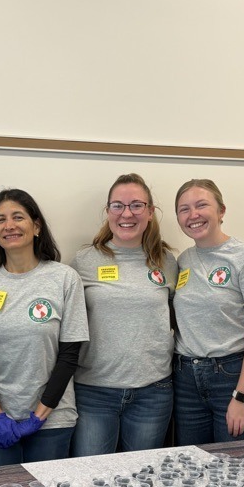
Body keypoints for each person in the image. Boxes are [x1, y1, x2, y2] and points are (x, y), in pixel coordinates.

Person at [0, 188, 89, 466]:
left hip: (53, 420)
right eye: (0, 220)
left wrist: (38, 416)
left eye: (17, 217)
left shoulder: (64, 278)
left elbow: (69, 354)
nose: (9, 226)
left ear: (36, 226)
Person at [69, 173, 177, 456]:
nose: (126, 214)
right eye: (117, 206)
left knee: (143, 482)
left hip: (153, 393)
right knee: (90, 481)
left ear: (150, 212)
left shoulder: (167, 261)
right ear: (108, 212)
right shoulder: (84, 260)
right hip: (94, 392)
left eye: (136, 205)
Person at [172, 179, 244, 444]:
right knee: (193, 470)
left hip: (233, 377)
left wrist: (242, 397)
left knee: (239, 472)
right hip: (186, 381)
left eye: (201, 205)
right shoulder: (183, 261)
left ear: (221, 211)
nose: (192, 215)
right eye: (184, 209)